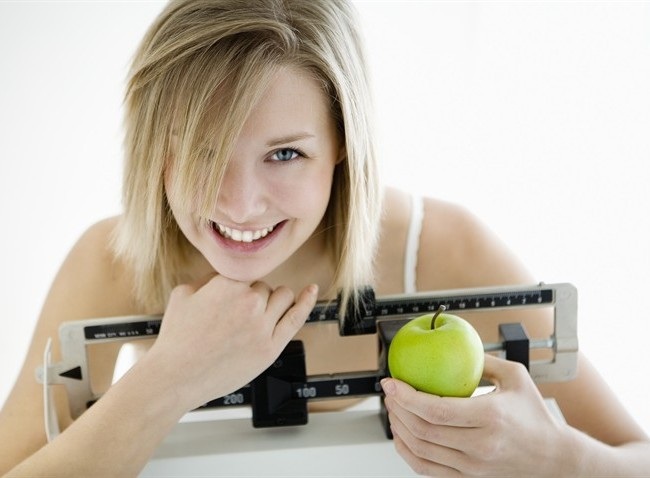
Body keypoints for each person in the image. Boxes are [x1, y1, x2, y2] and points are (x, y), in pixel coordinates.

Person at [1, 0, 648, 475]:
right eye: (201, 151)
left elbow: (636, 456)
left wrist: (558, 458)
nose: (239, 203)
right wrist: (169, 379)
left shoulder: (442, 246)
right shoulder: (114, 262)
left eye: (284, 154)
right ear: (153, 149)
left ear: (343, 144)